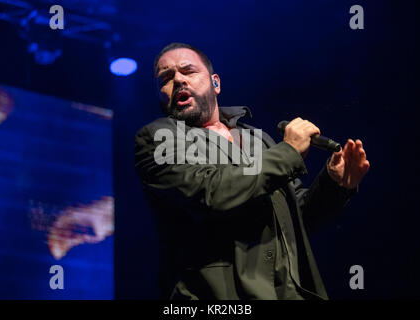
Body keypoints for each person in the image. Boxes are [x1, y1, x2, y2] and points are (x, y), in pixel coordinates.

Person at [134, 42, 370, 300]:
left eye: (188, 71)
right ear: (160, 95)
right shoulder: (158, 139)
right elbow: (211, 192)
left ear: (216, 83)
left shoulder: (258, 140)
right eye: (166, 78)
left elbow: (296, 219)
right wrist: (287, 153)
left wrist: (334, 184)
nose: (178, 80)